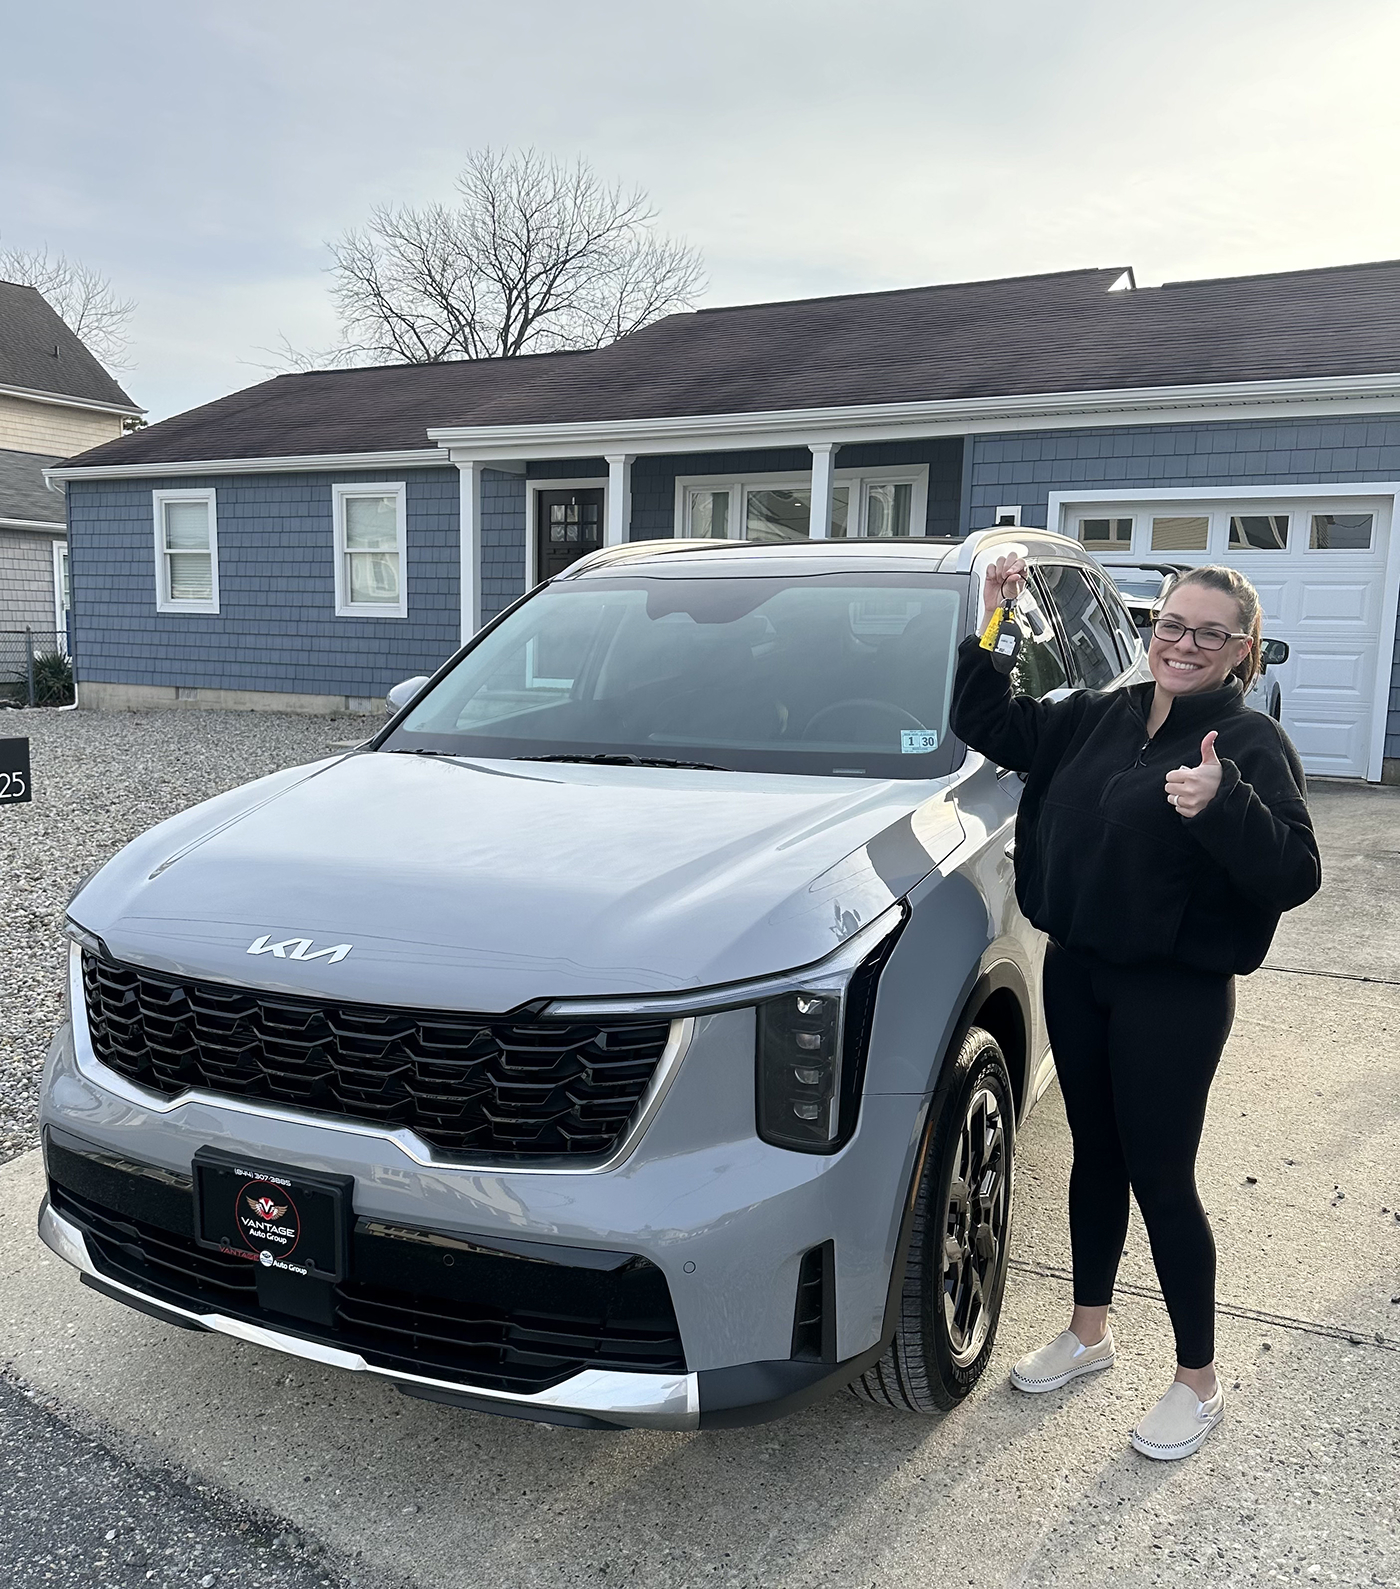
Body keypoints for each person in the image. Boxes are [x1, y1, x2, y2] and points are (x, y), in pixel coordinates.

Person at [951, 555, 1320, 1460]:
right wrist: (994, 620)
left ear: (1242, 651)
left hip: (1175, 993)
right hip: (1080, 971)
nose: (1182, 645)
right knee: (1095, 1158)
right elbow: (986, 719)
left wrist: (1221, 801)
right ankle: (1089, 1331)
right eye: (1170, 626)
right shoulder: (1097, 715)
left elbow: (1296, 872)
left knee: (1161, 1176)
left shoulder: (1248, 743)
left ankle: (1199, 1380)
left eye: (1209, 634)